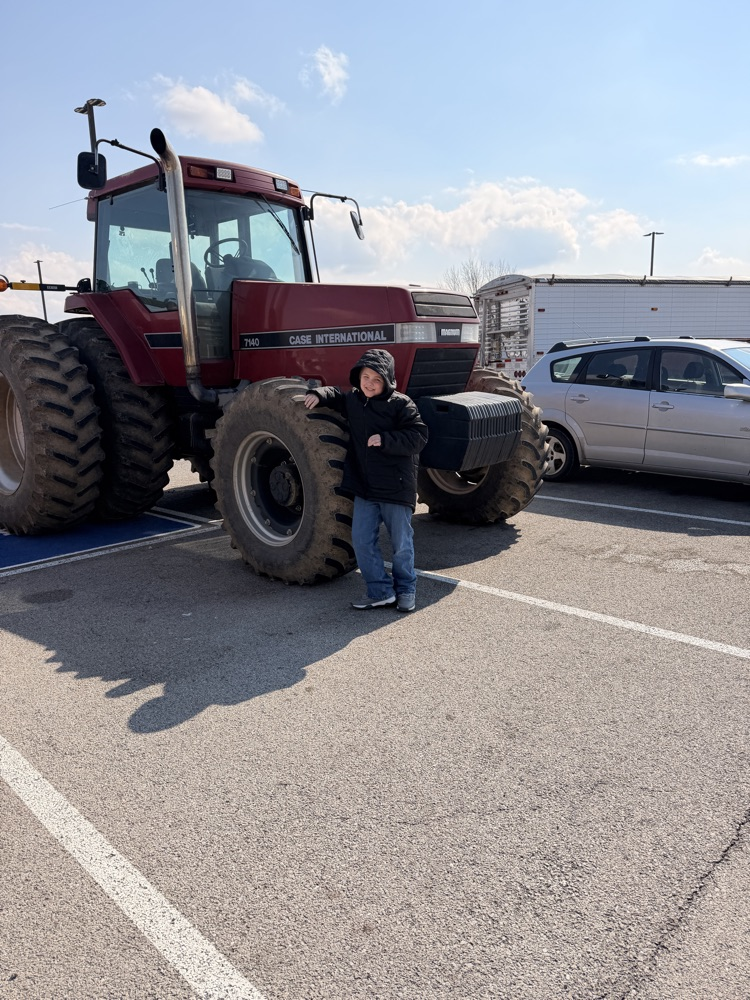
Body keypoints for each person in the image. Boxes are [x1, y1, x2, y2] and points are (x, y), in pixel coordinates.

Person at [304, 348, 428, 613]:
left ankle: (406, 589)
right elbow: (335, 395)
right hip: (365, 488)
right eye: (366, 376)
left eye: (377, 379)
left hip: (395, 487)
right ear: (358, 377)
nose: (370, 383)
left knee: (401, 545)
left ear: (387, 381)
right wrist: (318, 393)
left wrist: (385, 440)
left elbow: (418, 437)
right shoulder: (354, 401)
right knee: (361, 541)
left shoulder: (402, 404)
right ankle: (380, 591)